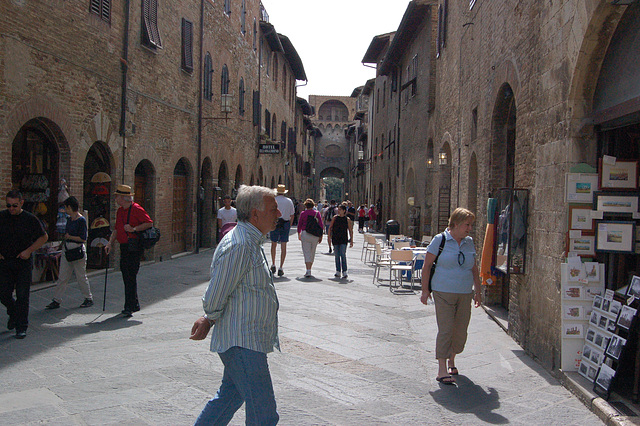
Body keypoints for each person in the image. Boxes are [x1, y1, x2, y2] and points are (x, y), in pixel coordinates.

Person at [190, 185, 281, 425]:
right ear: (255, 214)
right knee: (264, 414)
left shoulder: (250, 241)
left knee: (228, 399)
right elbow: (216, 293)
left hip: (244, 340)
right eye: (273, 209)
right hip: (242, 342)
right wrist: (209, 317)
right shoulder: (241, 245)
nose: (279, 214)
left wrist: (209, 318)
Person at [420, 207, 482, 385]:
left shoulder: (469, 242)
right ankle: (441, 369)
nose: (469, 228)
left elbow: (474, 268)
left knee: (460, 331)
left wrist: (477, 291)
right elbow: (427, 266)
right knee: (446, 329)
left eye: (470, 225)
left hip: (464, 292)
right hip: (443, 291)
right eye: (466, 225)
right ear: (455, 224)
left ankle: (452, 359)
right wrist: (425, 290)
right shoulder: (440, 240)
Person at [0, 190, 48, 339]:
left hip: (22, 262)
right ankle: (13, 312)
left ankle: (21, 326)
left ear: (21, 203)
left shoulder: (30, 219)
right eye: (9, 205)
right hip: (4, 261)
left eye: (14, 205)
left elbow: (43, 237)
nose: (11, 209)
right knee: (3, 293)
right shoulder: (2, 217)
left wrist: (29, 251)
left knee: (22, 295)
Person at [104, 184, 153, 317]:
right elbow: (116, 229)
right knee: (127, 275)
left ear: (123, 197)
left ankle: (129, 306)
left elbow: (149, 223)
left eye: (117, 196)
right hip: (124, 247)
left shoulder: (136, 209)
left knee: (130, 276)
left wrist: (134, 229)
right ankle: (133, 304)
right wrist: (109, 243)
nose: (115, 198)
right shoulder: (120, 211)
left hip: (134, 247)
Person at [45, 196, 94, 310]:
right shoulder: (69, 219)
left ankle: (88, 298)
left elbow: (83, 238)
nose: (65, 210)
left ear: (70, 207)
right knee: (63, 276)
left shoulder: (81, 220)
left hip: (77, 251)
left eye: (66, 207)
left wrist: (70, 236)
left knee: (81, 276)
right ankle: (57, 299)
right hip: (67, 250)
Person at [269, 184, 294, 277]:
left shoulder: (274, 200)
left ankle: (273, 263)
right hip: (285, 223)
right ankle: (281, 267)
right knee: (283, 245)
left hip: (275, 222)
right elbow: (292, 214)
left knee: (273, 244)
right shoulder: (289, 201)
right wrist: (289, 225)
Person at [297, 199, 323, 278]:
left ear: (306, 206)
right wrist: (321, 236)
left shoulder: (303, 213)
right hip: (315, 235)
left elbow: (300, 224)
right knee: (312, 252)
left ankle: (308, 270)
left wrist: (299, 233)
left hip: (305, 234)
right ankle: (310, 268)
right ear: (313, 206)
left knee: (306, 252)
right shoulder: (317, 213)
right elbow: (321, 225)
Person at [328, 204, 353, 279]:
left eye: (340, 209)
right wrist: (329, 237)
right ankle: (338, 270)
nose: (338, 211)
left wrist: (351, 240)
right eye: (338, 209)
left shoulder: (347, 219)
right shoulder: (335, 218)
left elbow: (350, 230)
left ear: (344, 211)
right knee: (336, 255)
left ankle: (344, 271)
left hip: (343, 239)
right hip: (335, 238)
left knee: (343, 254)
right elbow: (330, 228)